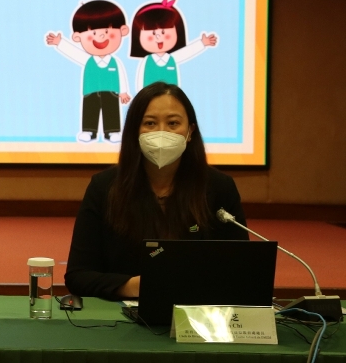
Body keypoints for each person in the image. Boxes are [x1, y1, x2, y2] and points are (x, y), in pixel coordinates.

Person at [64, 82, 247, 300]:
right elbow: (78, 275)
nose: (162, 133)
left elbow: (242, 269)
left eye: (173, 123)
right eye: (150, 123)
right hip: (123, 315)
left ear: (190, 131)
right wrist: (133, 287)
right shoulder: (104, 187)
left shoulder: (219, 188)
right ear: (134, 131)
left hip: (199, 313)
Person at [45, 0, 132, 144]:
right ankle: (89, 131)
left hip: (111, 92)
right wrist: (60, 43)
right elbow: (73, 52)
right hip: (90, 91)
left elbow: (121, 76)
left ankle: (112, 131)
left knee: (111, 110)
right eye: (93, 33)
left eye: (107, 31)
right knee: (90, 110)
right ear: (78, 37)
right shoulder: (87, 60)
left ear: (122, 31)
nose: (101, 36)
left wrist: (123, 92)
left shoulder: (115, 62)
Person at [129, 0, 219, 89]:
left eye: (163, 32)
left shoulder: (172, 59)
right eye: (153, 33)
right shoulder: (146, 61)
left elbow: (187, 52)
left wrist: (202, 43)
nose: (158, 37)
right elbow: (140, 81)